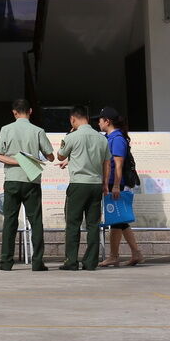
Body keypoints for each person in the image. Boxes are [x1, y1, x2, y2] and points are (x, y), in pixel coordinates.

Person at [0, 98, 54, 271]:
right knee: (35, 221)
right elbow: (50, 156)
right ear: (30, 111)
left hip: (12, 180)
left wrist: (15, 161)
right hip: (31, 180)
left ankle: (6, 262)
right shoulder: (38, 131)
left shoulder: (6, 129)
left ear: (14, 112)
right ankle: (37, 262)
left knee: (10, 221)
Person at [56, 106, 111, 271]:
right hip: (96, 184)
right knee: (93, 224)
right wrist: (105, 184)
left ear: (73, 119)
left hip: (78, 184)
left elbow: (60, 156)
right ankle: (91, 262)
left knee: (73, 223)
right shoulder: (102, 139)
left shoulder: (72, 136)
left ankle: (71, 261)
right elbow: (107, 163)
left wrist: (67, 137)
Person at [96, 107, 145, 267]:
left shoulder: (116, 139)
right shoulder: (110, 137)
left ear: (107, 121)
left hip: (116, 183)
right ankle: (126, 254)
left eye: (100, 119)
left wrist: (116, 186)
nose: (98, 122)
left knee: (119, 220)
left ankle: (118, 255)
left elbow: (118, 164)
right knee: (118, 220)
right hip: (112, 183)